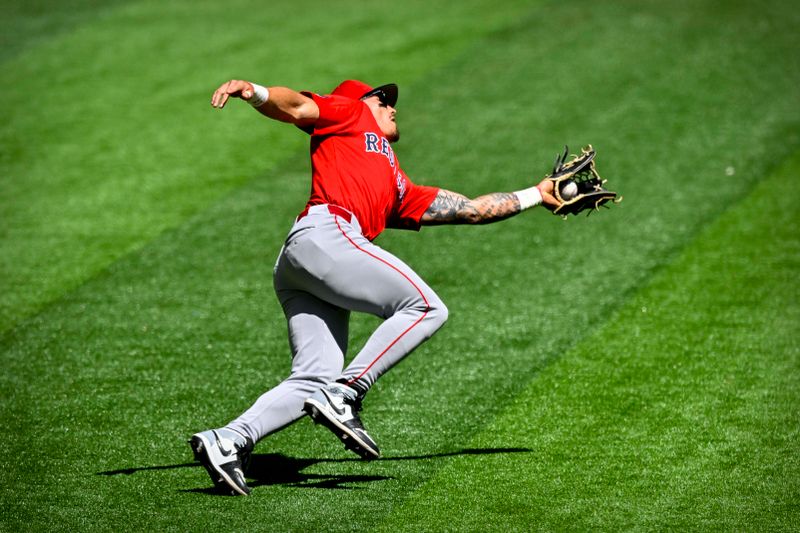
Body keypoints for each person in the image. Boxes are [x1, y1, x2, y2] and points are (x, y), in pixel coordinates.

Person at [189, 78, 561, 495]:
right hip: (327, 232)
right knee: (425, 307)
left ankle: (228, 440)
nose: (391, 105)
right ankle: (346, 393)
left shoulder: (394, 181)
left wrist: (536, 194)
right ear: (360, 101)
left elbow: (472, 209)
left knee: (313, 378)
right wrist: (254, 92)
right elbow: (295, 107)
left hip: (302, 260)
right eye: (383, 98)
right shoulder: (349, 114)